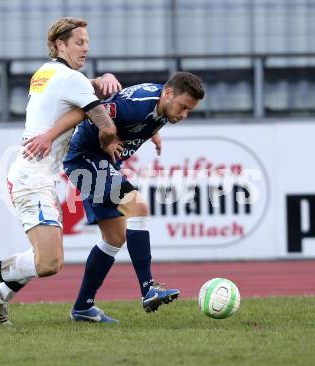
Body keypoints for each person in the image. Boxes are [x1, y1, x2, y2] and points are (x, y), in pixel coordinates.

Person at [0, 17, 123, 326]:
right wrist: (108, 139)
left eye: (87, 42)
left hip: (32, 174)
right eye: (79, 42)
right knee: (48, 262)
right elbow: (106, 124)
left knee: (45, 258)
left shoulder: (45, 73)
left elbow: (83, 91)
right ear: (60, 45)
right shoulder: (71, 80)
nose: (86, 48)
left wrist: (102, 79)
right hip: (32, 177)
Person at [25, 72, 205, 322]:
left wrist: (152, 132)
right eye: (183, 107)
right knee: (138, 207)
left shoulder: (163, 103)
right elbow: (92, 110)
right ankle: (148, 289)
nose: (184, 115)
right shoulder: (138, 105)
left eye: (189, 111)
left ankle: (83, 308)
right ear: (168, 93)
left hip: (100, 163)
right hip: (83, 159)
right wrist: (105, 136)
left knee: (115, 238)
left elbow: (142, 115)